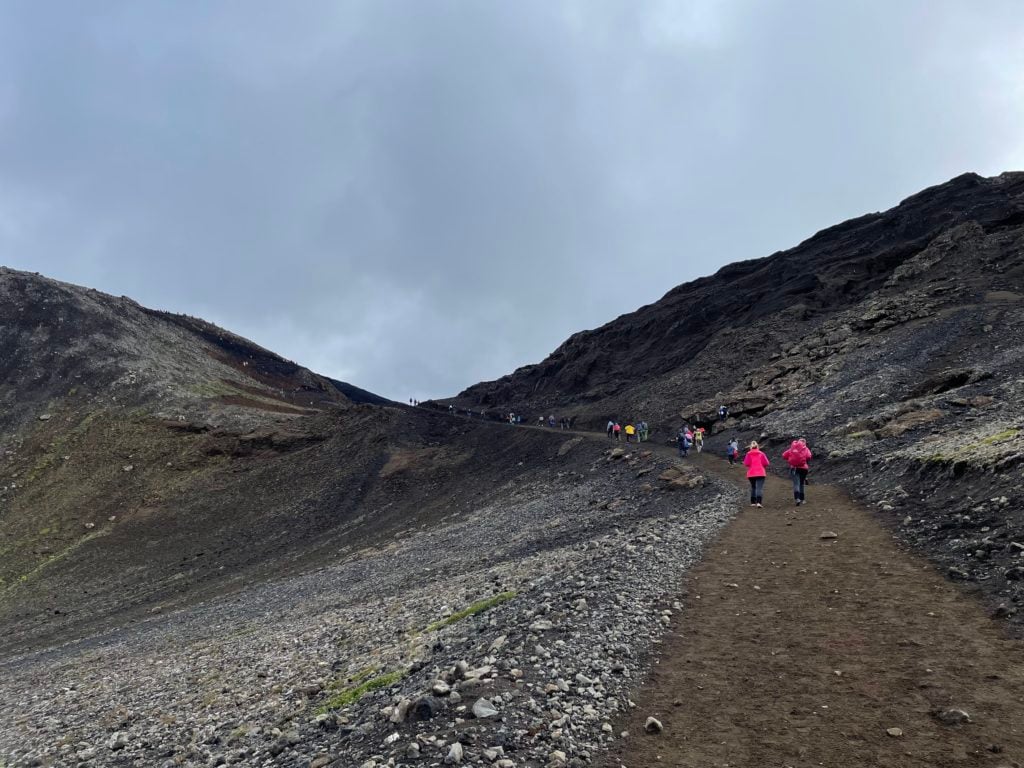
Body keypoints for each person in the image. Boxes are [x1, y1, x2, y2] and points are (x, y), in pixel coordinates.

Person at [782, 438, 813, 506]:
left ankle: (797, 499)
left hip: (794, 468)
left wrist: (791, 459)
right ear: (805, 442)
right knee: (801, 484)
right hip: (804, 468)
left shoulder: (792, 448)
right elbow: (809, 456)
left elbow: (784, 455)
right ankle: (802, 499)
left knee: (796, 484)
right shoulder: (806, 448)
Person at [743, 441, 770, 508]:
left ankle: (752, 502)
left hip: (751, 473)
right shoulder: (761, 453)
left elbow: (746, 463)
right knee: (759, 488)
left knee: (753, 487)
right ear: (757, 446)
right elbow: (766, 463)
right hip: (760, 473)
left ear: (750, 447)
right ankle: (758, 502)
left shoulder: (748, 454)